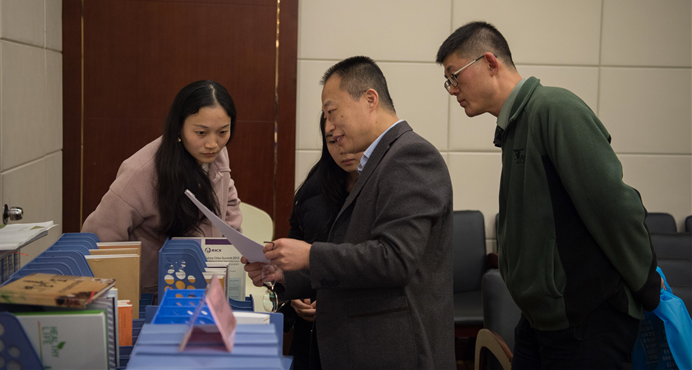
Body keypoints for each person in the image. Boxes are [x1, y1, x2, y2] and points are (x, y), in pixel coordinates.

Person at [436, 21, 661, 369]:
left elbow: (614, 206)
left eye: (455, 76)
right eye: (448, 81)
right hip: (542, 320)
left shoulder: (554, 109)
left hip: (586, 321)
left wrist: (647, 284)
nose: (452, 90)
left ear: (490, 62)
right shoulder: (515, 125)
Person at [243, 56, 455, 370]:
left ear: (370, 99)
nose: (328, 125)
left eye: (332, 112)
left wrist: (310, 256)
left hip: (395, 350)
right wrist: (285, 275)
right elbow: (355, 254)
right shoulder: (377, 162)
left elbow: (395, 260)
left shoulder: (410, 155)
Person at [82, 80, 243, 295]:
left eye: (222, 132)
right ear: (178, 127)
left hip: (204, 283)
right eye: (201, 133)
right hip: (152, 294)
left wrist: (234, 253)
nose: (212, 144)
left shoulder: (217, 154)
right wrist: (123, 293)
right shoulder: (141, 172)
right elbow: (99, 237)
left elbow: (229, 204)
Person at [283, 113, 363, 370]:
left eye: (349, 139)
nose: (343, 149)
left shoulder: (382, 186)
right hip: (310, 329)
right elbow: (297, 240)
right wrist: (294, 294)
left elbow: (376, 260)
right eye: (332, 140)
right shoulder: (316, 186)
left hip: (358, 324)